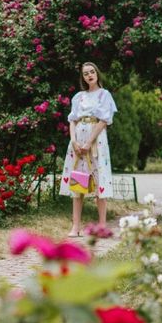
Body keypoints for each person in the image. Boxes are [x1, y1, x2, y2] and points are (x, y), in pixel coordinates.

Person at [59, 62, 117, 237]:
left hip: (96, 142)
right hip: (78, 141)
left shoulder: (104, 95)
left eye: (92, 72)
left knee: (99, 181)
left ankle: (101, 227)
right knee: (78, 182)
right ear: (83, 77)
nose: (89, 75)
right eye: (86, 73)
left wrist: (89, 142)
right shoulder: (78, 97)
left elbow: (103, 121)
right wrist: (74, 141)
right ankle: (75, 226)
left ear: (97, 73)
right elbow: (72, 120)